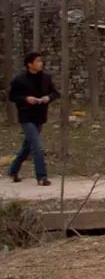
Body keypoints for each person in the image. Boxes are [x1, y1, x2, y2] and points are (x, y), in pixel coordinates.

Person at [7, 51, 59, 186]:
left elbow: (55, 93)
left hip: (40, 116)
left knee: (27, 147)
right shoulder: (19, 80)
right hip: (26, 116)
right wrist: (26, 99)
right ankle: (41, 177)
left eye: (41, 61)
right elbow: (12, 96)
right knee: (37, 146)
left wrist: (48, 97)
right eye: (37, 61)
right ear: (30, 64)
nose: (40, 63)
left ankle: (13, 171)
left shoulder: (46, 78)